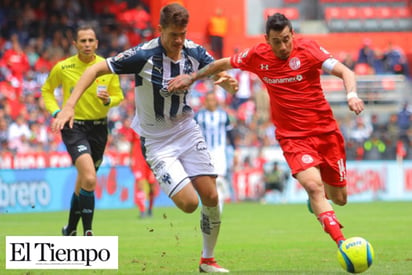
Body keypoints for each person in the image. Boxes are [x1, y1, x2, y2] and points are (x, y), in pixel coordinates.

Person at [51, 3, 237, 273]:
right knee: (189, 204)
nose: (178, 41)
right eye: (173, 34)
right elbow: (94, 70)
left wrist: (226, 80)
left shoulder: (193, 51)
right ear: (160, 30)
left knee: (210, 196)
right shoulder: (143, 55)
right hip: (156, 141)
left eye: (182, 34)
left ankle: (208, 260)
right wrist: (69, 105)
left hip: (186, 130)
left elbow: (217, 67)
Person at [168, 12, 365, 247]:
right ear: (266, 40)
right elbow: (224, 63)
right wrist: (193, 77)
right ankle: (343, 244)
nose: (283, 46)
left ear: (292, 34)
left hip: (326, 132)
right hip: (292, 137)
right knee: (314, 187)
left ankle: (317, 203)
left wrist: (351, 95)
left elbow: (346, 71)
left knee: (339, 199)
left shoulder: (309, 49)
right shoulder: (257, 55)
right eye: (276, 41)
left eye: (286, 39)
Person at [42, 26, 124, 236]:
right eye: (83, 41)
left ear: (96, 43)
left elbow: (119, 96)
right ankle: (88, 232)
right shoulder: (63, 67)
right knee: (89, 178)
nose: (87, 44)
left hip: (99, 128)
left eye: (90, 40)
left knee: (83, 181)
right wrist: (57, 112)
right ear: (75, 45)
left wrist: (109, 100)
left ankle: (70, 229)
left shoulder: (106, 66)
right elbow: (47, 91)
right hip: (74, 126)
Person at [195, 91, 236, 213]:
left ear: (216, 101)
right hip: (204, 153)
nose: (211, 102)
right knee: (207, 181)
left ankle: (219, 208)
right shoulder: (198, 116)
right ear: (205, 102)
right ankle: (209, 206)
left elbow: (230, 134)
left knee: (219, 180)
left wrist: (235, 150)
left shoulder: (223, 115)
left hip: (219, 152)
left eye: (213, 100)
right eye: (208, 100)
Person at [130, 130, 158, 218]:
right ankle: (142, 210)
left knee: (152, 186)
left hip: (150, 159)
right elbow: (131, 144)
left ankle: (150, 209)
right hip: (138, 160)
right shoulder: (134, 127)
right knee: (140, 185)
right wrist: (130, 159)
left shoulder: (152, 124)